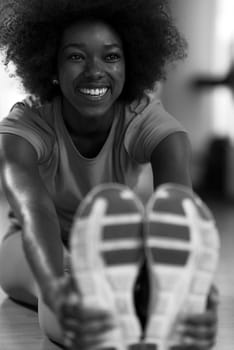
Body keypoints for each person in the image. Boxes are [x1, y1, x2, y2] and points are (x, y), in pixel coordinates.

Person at [0, 0, 218, 349]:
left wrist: (194, 289)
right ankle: (106, 329)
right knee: (65, 284)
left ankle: (148, 322)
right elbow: (34, 212)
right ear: (51, 65)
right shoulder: (24, 126)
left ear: (130, 63)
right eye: (75, 56)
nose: (95, 70)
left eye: (111, 56)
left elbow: (179, 217)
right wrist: (56, 287)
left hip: (115, 245)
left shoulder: (148, 123)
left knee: (142, 278)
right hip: (34, 246)